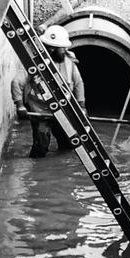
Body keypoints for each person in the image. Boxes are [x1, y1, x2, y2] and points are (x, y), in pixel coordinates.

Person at [10, 24, 86, 158]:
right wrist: (20, 105)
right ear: (51, 49)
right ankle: (38, 171)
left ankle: (62, 169)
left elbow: (78, 83)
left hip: (63, 111)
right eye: (61, 48)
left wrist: (82, 106)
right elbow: (17, 82)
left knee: (68, 145)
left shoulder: (69, 62)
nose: (64, 50)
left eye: (64, 47)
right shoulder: (34, 63)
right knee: (40, 148)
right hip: (40, 112)